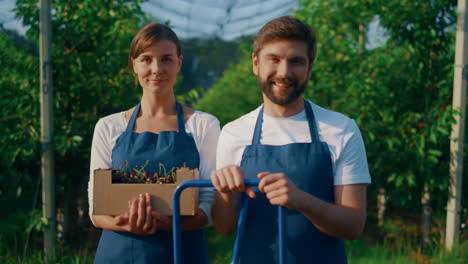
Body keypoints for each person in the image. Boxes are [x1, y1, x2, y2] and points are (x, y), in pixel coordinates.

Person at [210, 16, 371, 263]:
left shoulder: (341, 130)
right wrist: (227, 194)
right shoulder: (233, 134)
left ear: (310, 66)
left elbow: (353, 225)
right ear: (256, 63)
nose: (284, 73)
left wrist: (301, 200)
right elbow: (223, 227)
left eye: (295, 61)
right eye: (273, 59)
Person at [88, 22, 220, 263]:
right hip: (119, 253)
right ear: (134, 65)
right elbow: (96, 207)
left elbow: (211, 202)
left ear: (179, 63)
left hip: (181, 251)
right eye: (146, 59)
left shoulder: (203, 125)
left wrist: (172, 224)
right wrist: (127, 223)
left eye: (166, 59)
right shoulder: (109, 127)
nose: (157, 68)